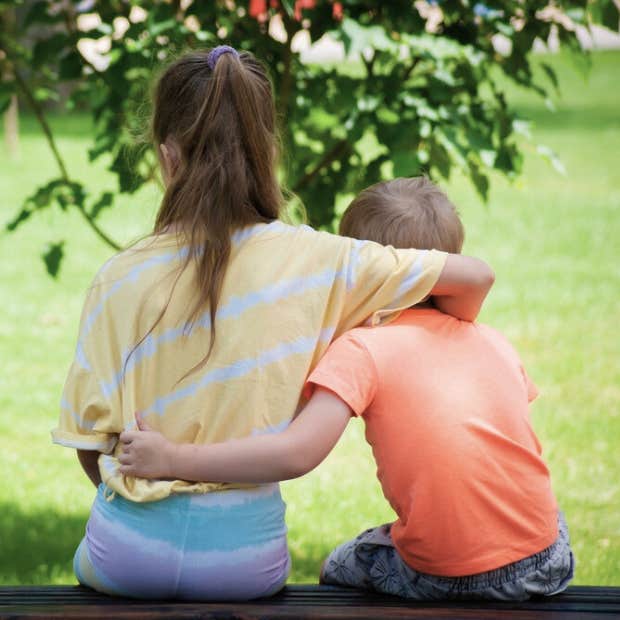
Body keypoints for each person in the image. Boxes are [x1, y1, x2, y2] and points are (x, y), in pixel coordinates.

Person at [51, 45, 494, 602]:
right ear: (266, 154)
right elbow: (474, 277)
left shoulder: (117, 278)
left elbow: (90, 451)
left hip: (127, 555)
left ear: (167, 157)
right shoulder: (328, 261)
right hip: (247, 564)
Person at [119, 177, 574, 601]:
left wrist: (173, 459)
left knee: (338, 563)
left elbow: (296, 454)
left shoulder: (363, 348)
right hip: (549, 558)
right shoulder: (492, 340)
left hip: (450, 577)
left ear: (369, 270)